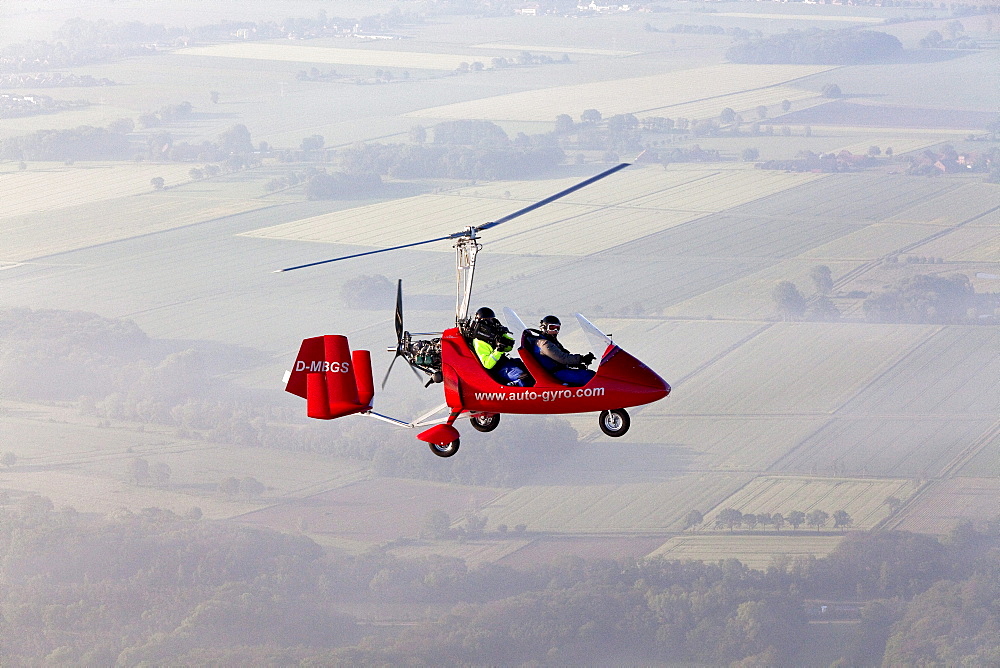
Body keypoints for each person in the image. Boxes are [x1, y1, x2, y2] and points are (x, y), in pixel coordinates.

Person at [469, 307, 530, 386]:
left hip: (506, 362)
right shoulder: (479, 341)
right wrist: (498, 350)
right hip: (499, 368)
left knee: (531, 369)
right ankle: (526, 395)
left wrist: (505, 341)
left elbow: (509, 347)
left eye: (491, 319)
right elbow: (488, 364)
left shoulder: (494, 333)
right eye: (487, 320)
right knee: (524, 377)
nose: (490, 322)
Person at [531, 315, 595, 386]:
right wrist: (582, 359)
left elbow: (563, 355)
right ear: (544, 328)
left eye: (557, 328)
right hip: (556, 373)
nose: (556, 331)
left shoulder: (552, 342)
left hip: (560, 371)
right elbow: (562, 358)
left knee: (591, 374)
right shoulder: (544, 344)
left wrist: (577, 364)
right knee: (589, 377)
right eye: (552, 328)